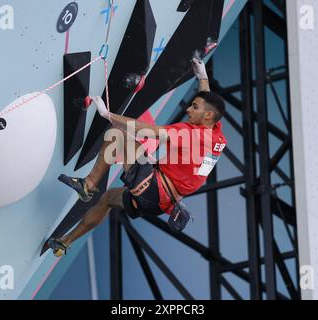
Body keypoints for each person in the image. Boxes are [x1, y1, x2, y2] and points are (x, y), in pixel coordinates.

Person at [48, 58, 227, 257]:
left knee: (117, 135)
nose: (188, 110)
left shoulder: (189, 133)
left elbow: (146, 130)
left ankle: (88, 185)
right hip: (161, 203)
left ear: (208, 115)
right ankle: (64, 243)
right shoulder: (216, 135)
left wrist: (108, 115)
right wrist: (202, 77)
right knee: (108, 199)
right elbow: (209, 103)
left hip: (152, 188)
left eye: (194, 107)